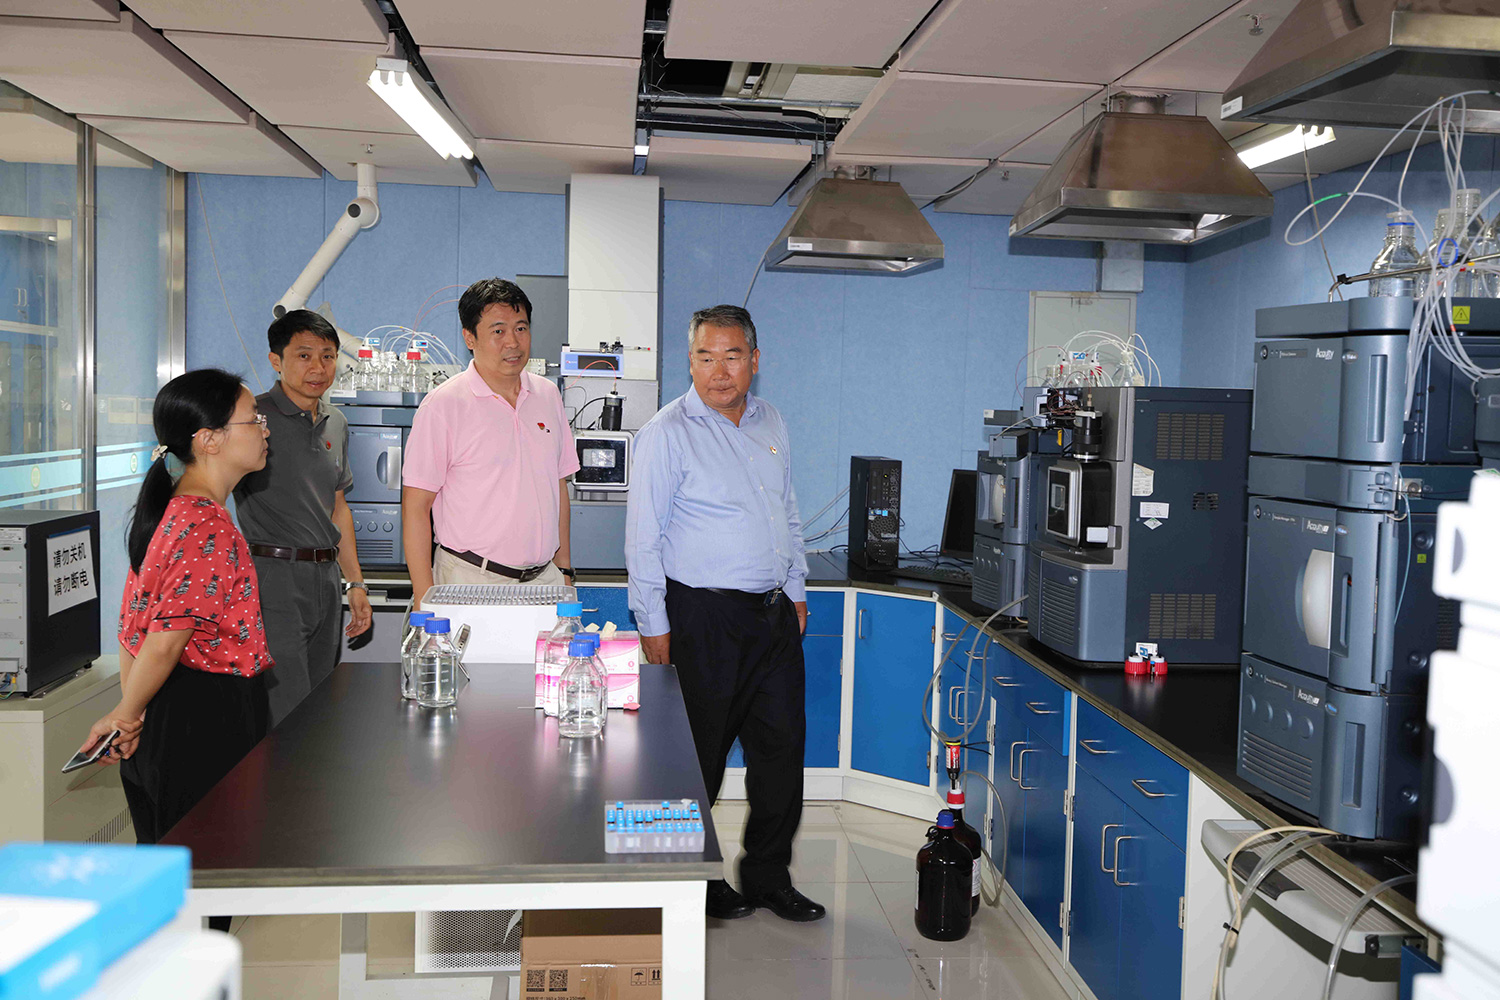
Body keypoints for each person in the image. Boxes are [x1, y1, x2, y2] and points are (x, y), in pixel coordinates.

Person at [624, 305, 823, 923]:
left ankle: (767, 876)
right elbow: (642, 541)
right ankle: (687, 881)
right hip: (702, 618)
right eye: (705, 357)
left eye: (732, 357)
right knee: (694, 760)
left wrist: (796, 587)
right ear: (690, 361)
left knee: (780, 754)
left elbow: (787, 510)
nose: (718, 371)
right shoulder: (666, 433)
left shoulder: (772, 421)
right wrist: (653, 624)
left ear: (753, 361)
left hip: (773, 616)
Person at [79, 368, 274, 849]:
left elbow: (134, 632)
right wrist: (126, 715)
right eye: (254, 418)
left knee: (173, 863)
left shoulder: (171, 512)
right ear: (209, 439)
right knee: (211, 866)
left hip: (167, 712)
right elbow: (165, 642)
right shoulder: (208, 528)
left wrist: (135, 712)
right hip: (205, 720)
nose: (265, 429)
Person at [402, 278, 579, 607]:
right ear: (470, 338)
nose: (513, 342)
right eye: (498, 331)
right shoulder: (444, 405)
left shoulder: (548, 395)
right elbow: (416, 507)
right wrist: (425, 601)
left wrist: (565, 572)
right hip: (470, 580)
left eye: (521, 328)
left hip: (545, 582)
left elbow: (559, 486)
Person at [233, 310, 371, 726]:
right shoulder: (252, 419)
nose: (318, 368)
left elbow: (338, 508)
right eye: (304, 355)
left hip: (326, 578)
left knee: (319, 704)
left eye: (328, 356)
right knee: (285, 708)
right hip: (272, 576)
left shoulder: (336, 422)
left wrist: (356, 583)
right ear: (276, 360)